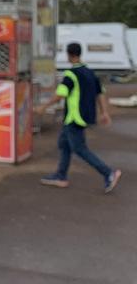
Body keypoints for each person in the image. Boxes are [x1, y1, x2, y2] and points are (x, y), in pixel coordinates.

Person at [38, 42, 121, 193]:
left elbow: (60, 95)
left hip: (74, 117)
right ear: (80, 53)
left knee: (80, 149)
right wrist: (104, 112)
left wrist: (43, 107)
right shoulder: (90, 72)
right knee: (64, 144)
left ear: (69, 55)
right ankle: (60, 175)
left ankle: (108, 173)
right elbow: (100, 93)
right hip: (85, 116)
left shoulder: (71, 74)